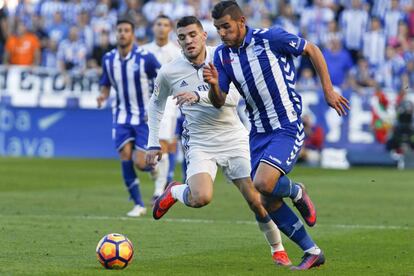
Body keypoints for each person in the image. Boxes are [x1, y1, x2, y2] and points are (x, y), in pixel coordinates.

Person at [204, 1, 350, 270]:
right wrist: (213, 85)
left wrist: (328, 91)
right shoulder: (222, 57)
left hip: (287, 125)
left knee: (262, 183)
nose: (222, 33)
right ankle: (312, 250)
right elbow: (218, 100)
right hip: (258, 132)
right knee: (266, 197)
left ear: (241, 21)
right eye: (217, 29)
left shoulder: (270, 38)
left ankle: (296, 191)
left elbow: (312, 50)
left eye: (226, 26)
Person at [146, 16, 291, 267]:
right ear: (178, 42)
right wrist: (152, 142)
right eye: (182, 37)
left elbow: (234, 96)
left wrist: (199, 95)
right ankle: (175, 191)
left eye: (193, 35)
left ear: (204, 36)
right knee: (200, 198)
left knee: (257, 200)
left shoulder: (224, 57)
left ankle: (277, 249)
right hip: (200, 141)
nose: (188, 41)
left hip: (233, 136)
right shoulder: (169, 71)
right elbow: (156, 105)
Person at [97, 15, 161, 217]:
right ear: (116, 34)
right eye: (119, 30)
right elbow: (105, 83)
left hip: (143, 118)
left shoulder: (146, 58)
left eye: (126, 30)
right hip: (122, 116)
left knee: (141, 163)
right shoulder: (108, 59)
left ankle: (153, 169)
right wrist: (102, 96)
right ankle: (138, 204)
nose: (122, 34)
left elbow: (162, 78)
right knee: (124, 155)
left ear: (132, 34)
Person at [141, 15, 181, 203]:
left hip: (169, 104)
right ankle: (156, 173)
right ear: (153, 27)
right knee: (144, 156)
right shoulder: (143, 51)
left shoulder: (176, 52)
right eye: (158, 24)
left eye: (165, 25)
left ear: (170, 28)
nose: (161, 28)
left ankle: (158, 192)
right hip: (145, 103)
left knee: (162, 145)